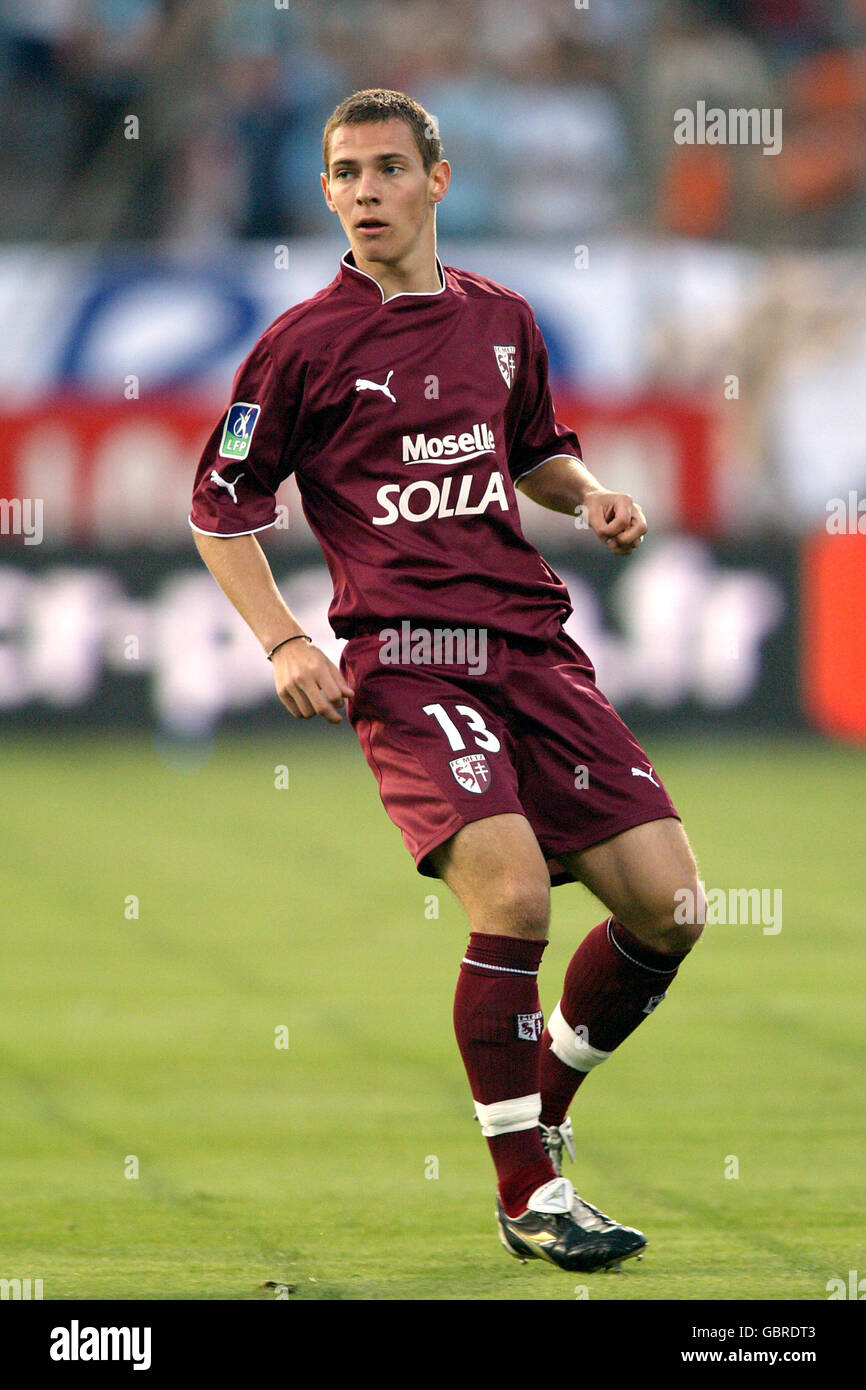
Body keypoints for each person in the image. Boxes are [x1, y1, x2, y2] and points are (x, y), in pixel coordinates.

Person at [190, 88, 705, 1274]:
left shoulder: (503, 318)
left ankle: (546, 1123)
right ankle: (525, 1190)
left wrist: (590, 496)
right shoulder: (302, 344)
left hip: (529, 649)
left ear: (436, 179)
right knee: (513, 897)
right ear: (324, 194)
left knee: (669, 909)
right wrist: (284, 642)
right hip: (407, 662)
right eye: (342, 174)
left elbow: (533, 450)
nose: (362, 192)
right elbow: (222, 510)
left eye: (383, 169)